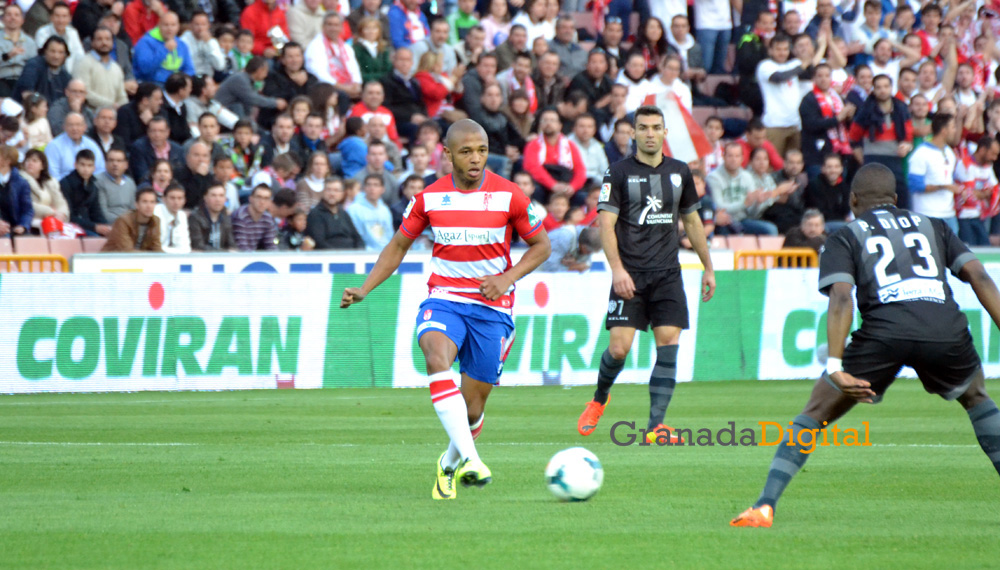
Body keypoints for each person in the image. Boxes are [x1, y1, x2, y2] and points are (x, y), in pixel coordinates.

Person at [731, 163, 1000, 528]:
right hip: (943, 328)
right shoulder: (934, 226)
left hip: (883, 333)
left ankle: (765, 506)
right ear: (895, 199)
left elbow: (842, 299)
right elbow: (979, 275)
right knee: (978, 399)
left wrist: (835, 365)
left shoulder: (845, 235)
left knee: (814, 412)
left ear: (853, 199)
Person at [340, 118, 551, 500]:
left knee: (472, 410)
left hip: (492, 306)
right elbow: (398, 247)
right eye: (466, 151)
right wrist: (365, 288)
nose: (475, 158)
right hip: (444, 299)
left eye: (482, 151)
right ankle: (473, 461)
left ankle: (450, 464)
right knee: (436, 357)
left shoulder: (510, 196)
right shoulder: (428, 198)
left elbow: (542, 246)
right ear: (448, 155)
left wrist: (507, 278)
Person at [576, 105, 715, 444]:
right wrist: (618, 270)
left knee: (668, 343)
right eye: (644, 127)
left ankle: (656, 427)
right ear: (634, 133)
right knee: (620, 350)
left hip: (668, 273)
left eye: (656, 127)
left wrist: (709, 267)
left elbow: (693, 223)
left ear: (665, 132)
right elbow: (605, 224)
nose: (650, 133)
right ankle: (599, 398)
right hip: (631, 274)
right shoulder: (618, 172)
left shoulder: (680, 172)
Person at [908, 114, 960, 234]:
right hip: (928, 214)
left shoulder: (950, 153)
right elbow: (915, 186)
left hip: (949, 214)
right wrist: (943, 186)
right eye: (953, 127)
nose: (955, 131)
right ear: (944, 131)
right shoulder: (921, 153)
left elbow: (949, 179)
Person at [523, 108, 587, 205]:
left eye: (552, 120)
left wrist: (573, 187)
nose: (548, 123)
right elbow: (532, 168)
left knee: (583, 197)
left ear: (560, 125)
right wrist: (553, 185)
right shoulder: (533, 145)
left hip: (566, 185)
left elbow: (580, 169)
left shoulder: (570, 145)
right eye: (545, 120)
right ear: (540, 125)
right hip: (543, 186)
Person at [306, 12, 363, 100]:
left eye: (336, 25)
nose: (333, 28)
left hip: (348, 88)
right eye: (330, 24)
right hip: (326, 89)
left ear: (341, 27)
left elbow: (354, 68)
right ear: (323, 26)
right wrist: (342, 88)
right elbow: (318, 72)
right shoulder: (315, 45)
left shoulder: (346, 47)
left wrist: (356, 84)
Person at [215, 56, 288, 119]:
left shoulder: (246, 79)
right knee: (238, 107)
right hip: (222, 112)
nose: (266, 75)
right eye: (266, 71)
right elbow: (252, 99)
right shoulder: (240, 79)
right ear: (260, 71)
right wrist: (275, 103)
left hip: (228, 111)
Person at [74, 27, 128, 111]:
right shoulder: (84, 62)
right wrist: (110, 105)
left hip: (112, 117)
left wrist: (122, 107)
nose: (104, 43)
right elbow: (84, 92)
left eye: (108, 39)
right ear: (92, 42)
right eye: (99, 39)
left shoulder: (116, 68)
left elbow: (122, 96)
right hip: (90, 115)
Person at [133, 12, 195, 84]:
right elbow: (145, 69)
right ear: (159, 26)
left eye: (173, 25)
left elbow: (189, 70)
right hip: (152, 83)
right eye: (166, 25)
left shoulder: (181, 44)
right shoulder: (145, 42)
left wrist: (181, 79)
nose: (170, 28)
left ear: (178, 27)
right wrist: (164, 50)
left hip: (176, 85)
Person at [61, 149, 110, 236]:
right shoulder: (65, 183)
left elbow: (96, 212)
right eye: (82, 165)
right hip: (72, 227)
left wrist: (106, 227)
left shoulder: (93, 186)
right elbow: (69, 216)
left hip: (89, 225)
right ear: (75, 165)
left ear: (94, 168)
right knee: (95, 239)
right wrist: (94, 226)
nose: (86, 169)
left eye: (89, 165)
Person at [306, 176, 364, 249]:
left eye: (336, 190)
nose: (332, 194)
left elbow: (357, 237)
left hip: (351, 255)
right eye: (328, 190)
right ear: (323, 192)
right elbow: (319, 242)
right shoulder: (315, 214)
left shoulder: (344, 214)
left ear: (342, 194)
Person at [45, 113, 105, 181]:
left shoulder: (91, 145)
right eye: (71, 125)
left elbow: (100, 170)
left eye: (78, 125)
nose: (75, 128)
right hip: (64, 187)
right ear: (64, 127)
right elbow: (53, 175)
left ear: (85, 127)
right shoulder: (54, 146)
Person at [13, 36, 72, 105]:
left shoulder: (66, 77)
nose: (56, 56)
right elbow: (26, 92)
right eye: (52, 51)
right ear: (45, 51)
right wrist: (39, 102)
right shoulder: (33, 66)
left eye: (61, 52)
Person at [101, 186, 162, 252]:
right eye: (145, 202)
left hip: (140, 259)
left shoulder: (156, 221)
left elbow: (157, 248)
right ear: (136, 205)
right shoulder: (123, 221)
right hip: (112, 259)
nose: (149, 206)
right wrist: (151, 256)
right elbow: (127, 251)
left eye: (152, 202)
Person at [21, 149, 69, 229]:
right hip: (31, 222)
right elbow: (26, 204)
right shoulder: (20, 180)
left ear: (42, 166)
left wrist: (62, 214)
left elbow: (60, 202)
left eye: (34, 161)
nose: (30, 163)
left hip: (51, 220)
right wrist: (51, 212)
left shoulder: (50, 182)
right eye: (27, 160)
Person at [128, 116, 183, 184]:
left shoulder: (177, 149)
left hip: (172, 189)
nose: (157, 135)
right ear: (147, 132)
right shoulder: (139, 148)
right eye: (153, 131)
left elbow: (181, 175)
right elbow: (142, 175)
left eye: (161, 131)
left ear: (168, 132)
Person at [0, 4, 39, 99]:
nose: (12, 18)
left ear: (22, 20)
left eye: (16, 15)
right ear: (2, 19)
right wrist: (8, 55)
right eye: (9, 15)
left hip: (23, 79)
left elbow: (35, 65)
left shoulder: (30, 42)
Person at [346, 173, 394, 250]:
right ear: (364, 188)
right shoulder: (353, 209)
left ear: (382, 189)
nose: (372, 188)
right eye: (369, 185)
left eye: (376, 185)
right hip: (365, 253)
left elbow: (389, 234)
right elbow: (356, 236)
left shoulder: (385, 209)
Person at [189, 184, 236, 251]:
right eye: (213, 195)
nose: (218, 199)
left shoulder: (226, 218)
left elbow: (232, 244)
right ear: (205, 198)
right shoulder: (195, 218)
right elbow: (198, 246)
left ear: (225, 199)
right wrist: (224, 252)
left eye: (221, 195)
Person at [95, 146, 136, 223]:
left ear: (126, 165)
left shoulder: (130, 183)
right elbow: (103, 213)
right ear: (106, 163)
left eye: (119, 161)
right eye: (111, 160)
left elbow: (133, 210)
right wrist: (124, 222)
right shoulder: (98, 181)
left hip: (129, 225)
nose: (115, 164)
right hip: (109, 226)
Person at [232, 183, 278, 251]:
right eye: (259, 197)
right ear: (250, 199)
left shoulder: (268, 219)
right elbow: (242, 247)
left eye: (266, 198)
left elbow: (271, 245)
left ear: (270, 202)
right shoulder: (241, 216)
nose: (262, 202)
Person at [0, 145, 34, 237]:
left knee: (28, 241)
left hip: (14, 228)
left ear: (7, 161)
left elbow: (27, 209)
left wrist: (23, 225)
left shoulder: (21, 183)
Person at [154, 183, 190, 253]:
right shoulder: (156, 213)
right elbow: (156, 247)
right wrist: (177, 252)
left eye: (180, 198)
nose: (176, 202)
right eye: (172, 198)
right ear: (164, 199)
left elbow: (185, 247)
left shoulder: (182, 216)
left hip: (172, 257)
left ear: (184, 201)